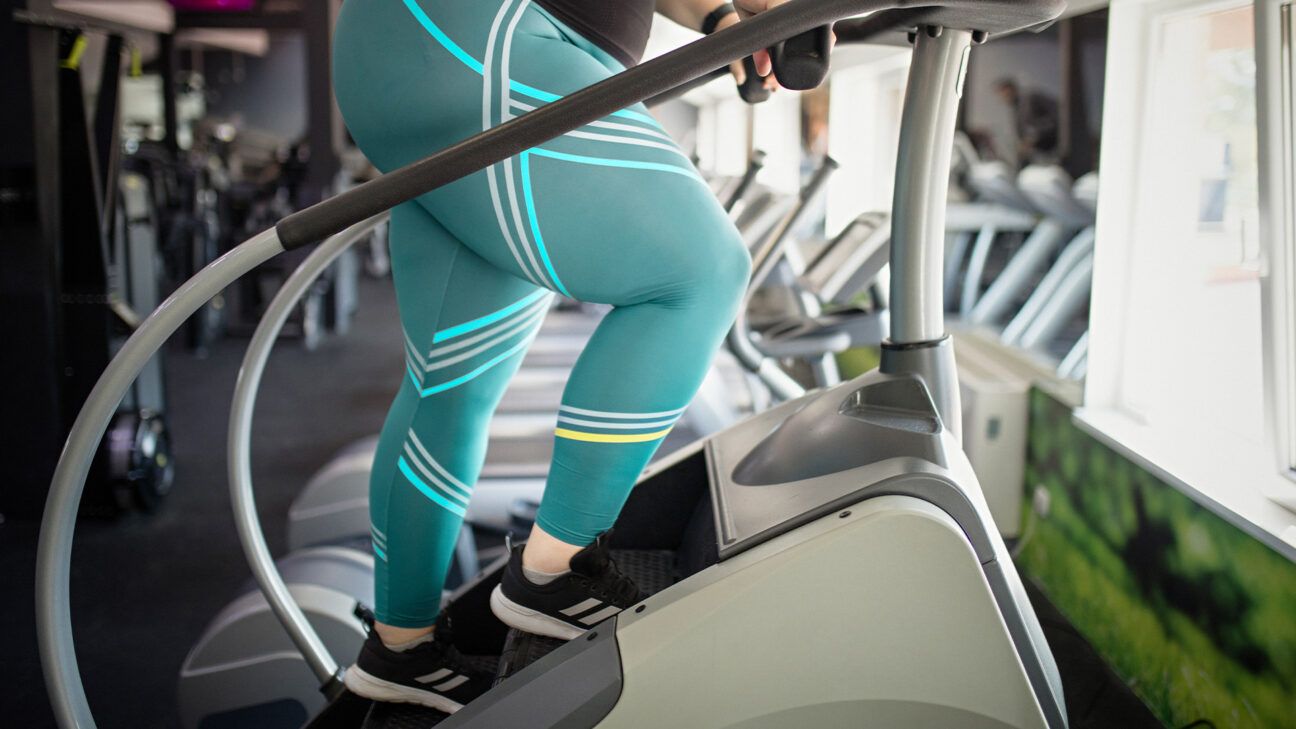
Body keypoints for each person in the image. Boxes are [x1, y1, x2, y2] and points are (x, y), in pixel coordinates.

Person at [332, 0, 785, 713]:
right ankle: (556, 565)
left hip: (420, 47)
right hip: (476, 36)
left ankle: (401, 648)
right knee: (701, 272)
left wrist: (724, 15)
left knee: (448, 385)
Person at [993, 78, 1060, 166]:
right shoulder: (1015, 110)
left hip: (1052, 154)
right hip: (1035, 159)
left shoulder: (1032, 97)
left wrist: (1033, 136)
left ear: (1010, 89)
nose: (1002, 97)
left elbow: (1059, 114)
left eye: (1002, 93)